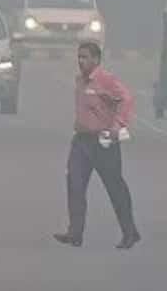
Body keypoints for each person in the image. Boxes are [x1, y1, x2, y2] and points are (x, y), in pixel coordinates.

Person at [54, 42, 141, 250]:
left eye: (85, 57)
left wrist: (117, 125)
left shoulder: (106, 80)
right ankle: (75, 233)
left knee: (115, 187)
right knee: (74, 185)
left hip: (103, 142)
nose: (80, 61)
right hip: (81, 140)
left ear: (96, 60)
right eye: (79, 57)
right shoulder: (80, 81)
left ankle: (129, 232)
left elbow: (126, 99)